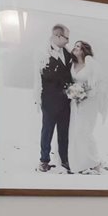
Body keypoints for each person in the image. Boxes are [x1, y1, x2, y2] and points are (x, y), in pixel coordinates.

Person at [37, 25, 74, 173]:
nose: (68, 40)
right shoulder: (43, 52)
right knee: (47, 131)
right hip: (50, 101)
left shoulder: (68, 53)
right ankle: (44, 160)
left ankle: (64, 160)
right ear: (58, 36)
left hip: (66, 102)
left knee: (64, 132)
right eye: (67, 37)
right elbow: (44, 75)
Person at [66, 39, 103, 172]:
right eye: (75, 46)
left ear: (83, 50)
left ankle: (94, 160)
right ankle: (78, 161)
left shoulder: (90, 63)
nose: (75, 48)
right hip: (75, 102)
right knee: (75, 131)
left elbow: (96, 84)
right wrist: (73, 92)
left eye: (78, 47)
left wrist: (85, 94)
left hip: (88, 102)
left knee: (85, 131)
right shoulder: (72, 64)